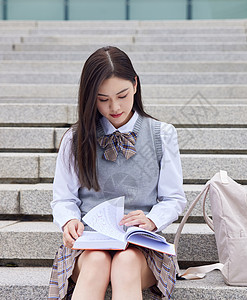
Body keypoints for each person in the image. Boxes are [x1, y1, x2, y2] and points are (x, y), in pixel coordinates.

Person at [48, 46, 187, 300]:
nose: (115, 107)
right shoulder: (75, 139)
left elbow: (173, 199)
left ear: (135, 84)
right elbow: (64, 198)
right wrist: (69, 221)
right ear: (90, 98)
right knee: (98, 262)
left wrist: (151, 221)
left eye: (122, 95)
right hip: (90, 246)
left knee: (125, 262)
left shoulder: (162, 134)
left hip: (141, 248)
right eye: (103, 99)